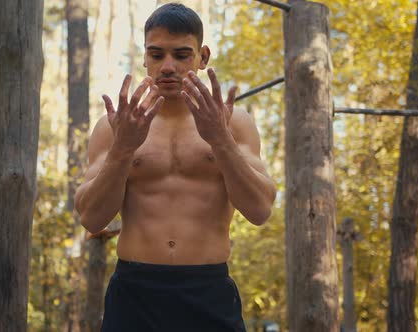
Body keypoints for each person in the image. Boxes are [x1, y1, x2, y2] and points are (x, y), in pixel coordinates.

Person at [74, 3, 276, 332]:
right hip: (134, 293)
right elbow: (91, 218)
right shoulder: (116, 126)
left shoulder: (234, 123)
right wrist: (123, 149)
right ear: (144, 57)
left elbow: (260, 210)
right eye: (157, 55)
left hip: (208, 291)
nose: (168, 67)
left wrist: (220, 141)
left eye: (182, 55)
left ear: (203, 56)